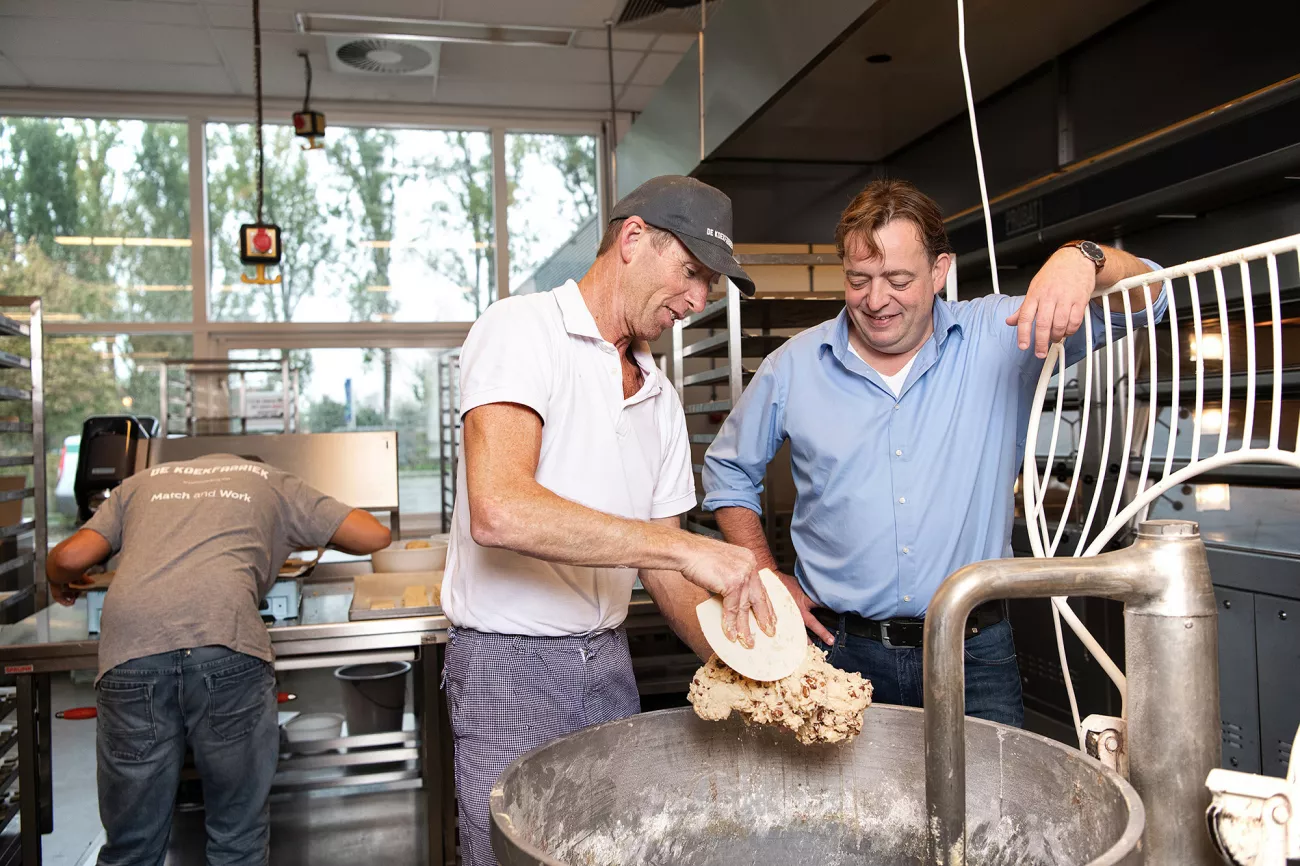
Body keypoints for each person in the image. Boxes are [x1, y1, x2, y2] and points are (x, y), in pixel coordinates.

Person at [702, 179, 1168, 727]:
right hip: (838, 650)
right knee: (845, 816)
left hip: (974, 653)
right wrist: (762, 572)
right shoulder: (793, 367)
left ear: (940, 270)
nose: (876, 301)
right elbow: (728, 470)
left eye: (898, 279)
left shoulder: (1000, 336)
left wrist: (1084, 260)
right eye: (859, 280)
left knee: (987, 810)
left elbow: (1151, 299)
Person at [441, 175, 777, 866]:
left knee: (618, 853)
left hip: (609, 664)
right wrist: (683, 551)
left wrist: (747, 669)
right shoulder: (522, 330)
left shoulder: (659, 398)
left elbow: (665, 567)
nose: (696, 300)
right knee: (515, 854)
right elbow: (499, 509)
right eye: (691, 272)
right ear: (632, 239)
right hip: (510, 665)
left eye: (709, 286)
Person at [46, 453, 391, 866]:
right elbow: (373, 536)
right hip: (225, 641)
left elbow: (68, 558)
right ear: (254, 464)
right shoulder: (269, 480)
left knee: (131, 847)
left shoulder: (142, 482)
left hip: (132, 650)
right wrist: (303, 531)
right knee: (237, 841)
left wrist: (55, 579)